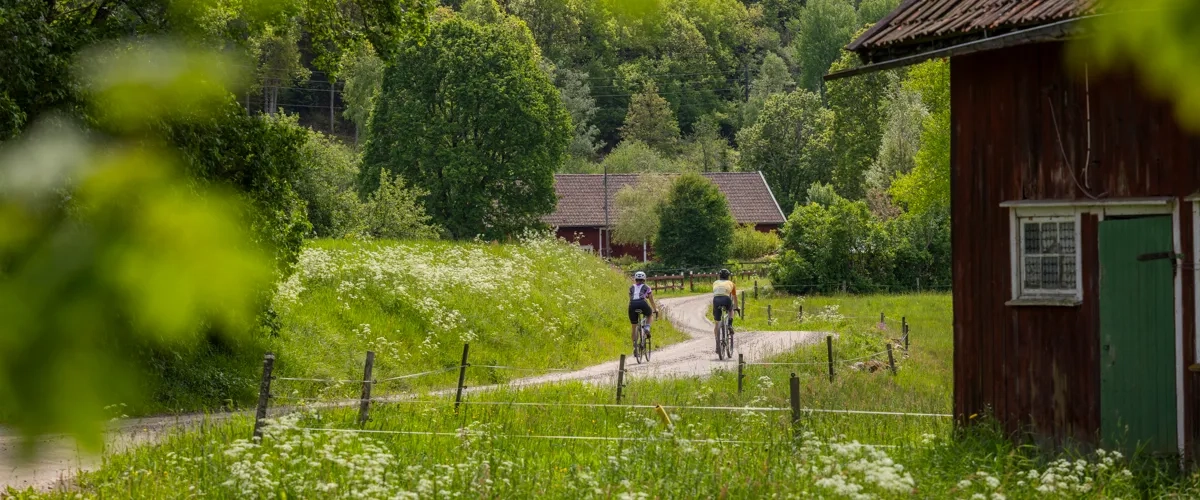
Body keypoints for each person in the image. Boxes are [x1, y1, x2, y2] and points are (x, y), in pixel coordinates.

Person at [628, 271, 658, 347]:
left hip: (632, 305)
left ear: (635, 279)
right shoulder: (647, 287)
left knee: (634, 327)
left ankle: (635, 347)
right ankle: (647, 327)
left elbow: (631, 297)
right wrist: (655, 309)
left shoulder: (631, 287)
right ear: (644, 279)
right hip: (642, 303)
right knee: (650, 314)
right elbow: (651, 300)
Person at [712, 268, 739, 347]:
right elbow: (734, 297)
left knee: (717, 323)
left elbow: (716, 292)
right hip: (726, 299)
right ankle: (730, 324)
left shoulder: (715, 282)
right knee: (731, 310)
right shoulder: (731, 283)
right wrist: (736, 307)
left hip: (716, 300)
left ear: (719, 276)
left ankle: (717, 344)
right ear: (728, 276)